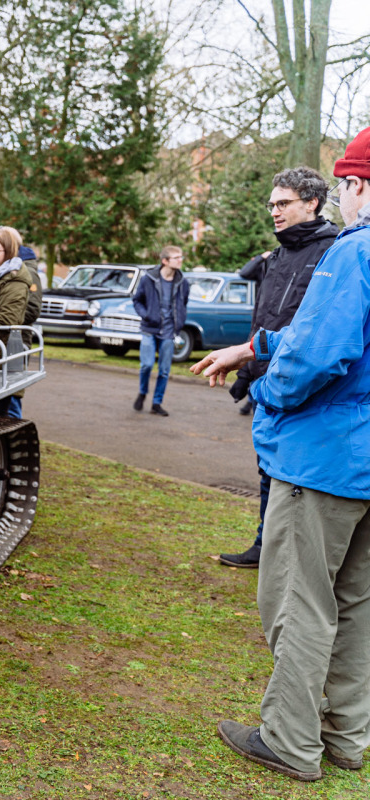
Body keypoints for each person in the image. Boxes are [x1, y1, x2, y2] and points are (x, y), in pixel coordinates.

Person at [192, 125, 370, 782]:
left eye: (349, 184)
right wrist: (257, 347)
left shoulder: (354, 252)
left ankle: (291, 740)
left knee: (300, 603)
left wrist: (269, 395)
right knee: (356, 603)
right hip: (364, 466)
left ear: (354, 185)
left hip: (324, 459)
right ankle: (346, 737)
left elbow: (321, 352)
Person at [219, 167, 339, 569]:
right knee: (266, 468)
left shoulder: (334, 251)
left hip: (304, 383)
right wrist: (244, 373)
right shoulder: (278, 255)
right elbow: (263, 317)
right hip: (264, 381)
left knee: (296, 477)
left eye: (283, 203)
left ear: (312, 203)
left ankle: (290, 555)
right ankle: (264, 546)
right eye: (272, 204)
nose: (274, 211)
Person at [132, 246, 188, 416]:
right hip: (150, 329)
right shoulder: (148, 279)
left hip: (169, 332)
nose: (180, 260)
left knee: (164, 371)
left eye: (181, 257)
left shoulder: (182, 282)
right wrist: (146, 315)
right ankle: (142, 392)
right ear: (165, 261)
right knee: (147, 365)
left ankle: (157, 403)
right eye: (176, 257)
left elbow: (183, 303)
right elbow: (137, 300)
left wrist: (180, 321)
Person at [0, 226, 33, 418]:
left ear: (8, 253)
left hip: (4, 356)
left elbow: (8, 320)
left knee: (7, 415)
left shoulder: (14, 279)